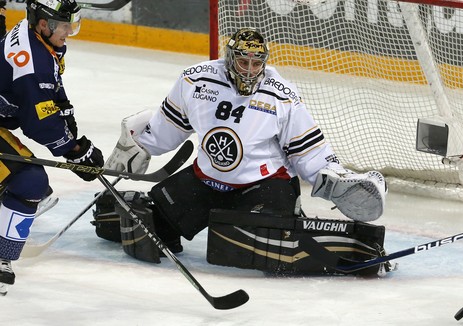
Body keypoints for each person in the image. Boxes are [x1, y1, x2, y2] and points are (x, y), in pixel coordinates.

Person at [103, 28, 389, 275]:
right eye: (243, 61)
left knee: (267, 247)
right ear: (230, 58)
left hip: (263, 186)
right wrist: (138, 144)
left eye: (256, 63)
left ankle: (290, 221)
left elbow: (307, 150)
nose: (250, 70)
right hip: (205, 181)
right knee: (149, 231)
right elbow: (168, 129)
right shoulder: (195, 80)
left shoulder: (281, 94)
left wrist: (333, 178)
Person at [0, 0, 104, 295]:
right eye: (63, 25)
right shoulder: (32, 62)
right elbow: (39, 125)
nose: (69, 31)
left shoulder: (40, 40)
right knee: (30, 182)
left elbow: (52, 89)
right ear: (43, 25)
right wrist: (75, 152)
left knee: (28, 188)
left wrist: (67, 118)